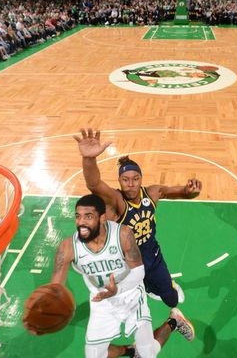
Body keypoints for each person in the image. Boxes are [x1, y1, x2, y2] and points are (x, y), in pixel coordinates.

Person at [47, 194, 194, 358]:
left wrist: (117, 289)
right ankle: (130, 350)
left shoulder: (123, 234)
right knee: (94, 355)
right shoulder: (67, 248)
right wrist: (49, 306)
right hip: (101, 302)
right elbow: (55, 288)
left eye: (88, 217)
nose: (81, 222)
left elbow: (139, 272)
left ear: (102, 218)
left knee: (148, 354)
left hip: (131, 296)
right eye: (78, 216)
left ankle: (174, 322)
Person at [74, 129, 202, 310]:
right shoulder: (116, 201)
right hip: (128, 262)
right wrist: (89, 159)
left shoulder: (152, 193)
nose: (131, 183)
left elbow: (182, 193)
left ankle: (157, 285)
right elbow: (94, 184)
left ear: (141, 178)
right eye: (125, 179)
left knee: (171, 300)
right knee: (125, 307)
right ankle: (145, 285)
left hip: (152, 254)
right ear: (119, 181)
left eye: (135, 178)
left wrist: (191, 192)